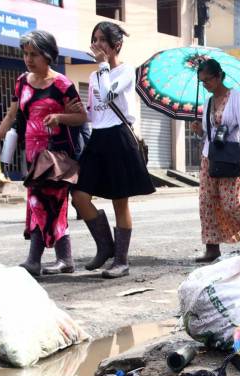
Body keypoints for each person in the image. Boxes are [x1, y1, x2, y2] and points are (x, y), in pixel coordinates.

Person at [0, 30, 87, 276]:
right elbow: (12, 115)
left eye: (34, 54)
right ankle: (65, 259)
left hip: (56, 155)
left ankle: (35, 260)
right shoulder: (22, 82)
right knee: (39, 203)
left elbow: (82, 117)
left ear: (48, 55)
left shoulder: (63, 84)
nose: (28, 59)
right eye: (26, 54)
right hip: (32, 154)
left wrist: (60, 117)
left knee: (46, 203)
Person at [68, 22, 155, 279]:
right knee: (79, 195)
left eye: (102, 40)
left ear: (116, 45)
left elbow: (108, 96)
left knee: (120, 202)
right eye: (94, 39)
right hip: (99, 137)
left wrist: (104, 65)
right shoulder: (95, 76)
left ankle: (121, 260)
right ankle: (105, 246)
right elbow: (96, 110)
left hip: (119, 136)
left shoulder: (127, 71)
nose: (97, 45)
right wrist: (77, 111)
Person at [190, 59, 240, 263]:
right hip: (210, 156)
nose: (205, 84)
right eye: (202, 81)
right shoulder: (208, 102)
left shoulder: (235, 97)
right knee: (207, 202)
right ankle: (212, 248)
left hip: (231, 156)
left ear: (219, 76)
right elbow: (209, 134)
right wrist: (199, 131)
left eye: (208, 79)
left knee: (231, 203)